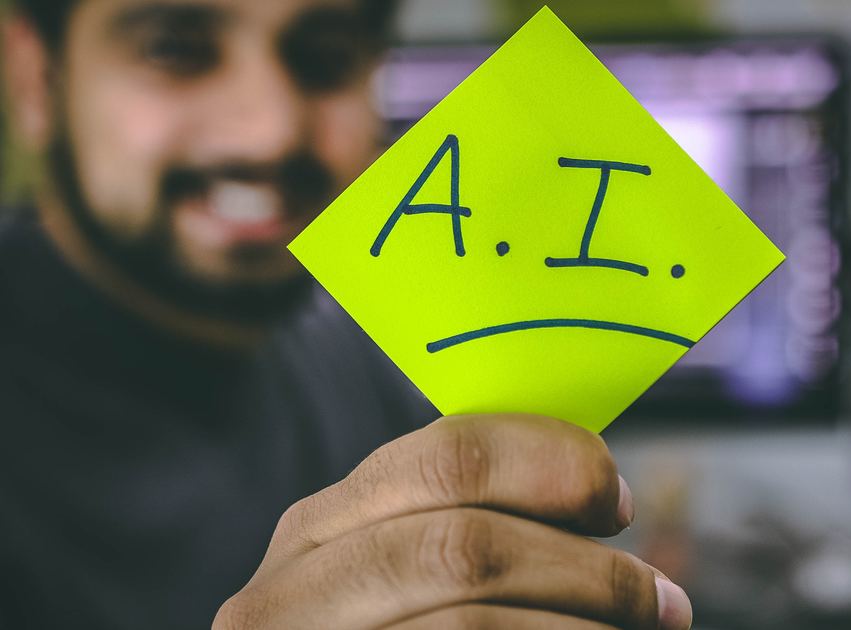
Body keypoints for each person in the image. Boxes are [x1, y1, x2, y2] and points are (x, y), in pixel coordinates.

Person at [0, 1, 693, 628]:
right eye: (174, 48)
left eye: (326, 56)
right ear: (35, 77)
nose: (269, 131)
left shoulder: (370, 361)